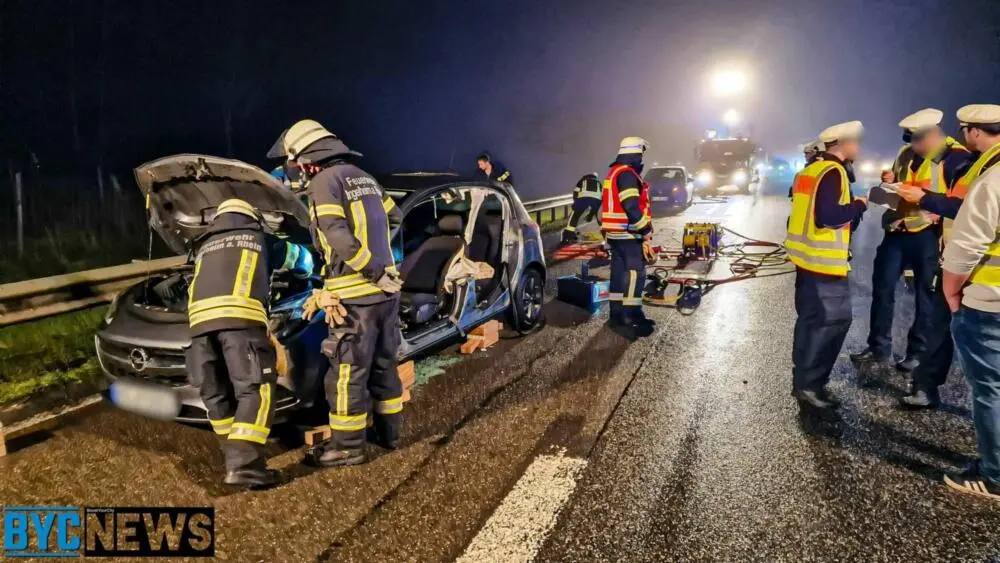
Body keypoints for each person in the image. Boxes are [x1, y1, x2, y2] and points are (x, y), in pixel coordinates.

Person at [268, 119, 405, 468]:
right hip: (386, 295)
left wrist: (369, 268)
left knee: (346, 374)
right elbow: (396, 217)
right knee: (384, 364)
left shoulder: (324, 182)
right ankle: (390, 434)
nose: (297, 171)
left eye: (296, 163)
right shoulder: (365, 177)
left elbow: (335, 233)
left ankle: (347, 447)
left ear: (308, 159)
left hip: (354, 299)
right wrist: (380, 263)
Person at [186, 198, 313, 488]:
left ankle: (234, 456)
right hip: (241, 323)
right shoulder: (260, 238)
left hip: (199, 328)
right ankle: (245, 465)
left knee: (217, 393)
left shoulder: (203, 245)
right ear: (252, 217)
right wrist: (307, 268)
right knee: (256, 390)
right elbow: (301, 261)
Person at [897, 105, 1000, 409]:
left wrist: (924, 199)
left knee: (941, 325)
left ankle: (926, 386)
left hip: (973, 269)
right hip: (973, 266)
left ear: (974, 131)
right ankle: (925, 385)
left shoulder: (970, 164)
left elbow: (966, 213)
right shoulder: (980, 162)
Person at [851, 109, 969, 372]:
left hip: (930, 235)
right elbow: (899, 187)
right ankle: (878, 348)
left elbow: (961, 204)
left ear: (934, 134)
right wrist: (891, 182)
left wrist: (927, 202)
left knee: (926, 298)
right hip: (897, 230)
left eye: (918, 140)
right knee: (882, 290)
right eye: (911, 140)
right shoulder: (906, 153)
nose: (914, 146)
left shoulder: (956, 157)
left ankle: (918, 353)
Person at [785, 121, 869, 409]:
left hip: (806, 259)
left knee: (810, 321)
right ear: (844, 143)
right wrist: (859, 205)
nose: (858, 147)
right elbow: (829, 217)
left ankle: (802, 379)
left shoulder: (810, 170)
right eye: (855, 142)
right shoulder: (833, 172)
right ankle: (811, 384)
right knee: (832, 322)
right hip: (823, 264)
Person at [939, 104, 1000, 501]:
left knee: (990, 388)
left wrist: (951, 290)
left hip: (989, 302)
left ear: (975, 132)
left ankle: (995, 476)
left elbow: (966, 246)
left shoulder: (992, 178)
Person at [601, 137, 655, 338]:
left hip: (616, 234)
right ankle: (630, 316)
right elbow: (631, 206)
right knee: (635, 274)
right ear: (635, 154)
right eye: (641, 154)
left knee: (618, 274)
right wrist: (645, 229)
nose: (642, 159)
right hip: (628, 233)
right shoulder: (626, 174)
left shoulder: (615, 171)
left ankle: (617, 314)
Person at [561, 172, 602, 243]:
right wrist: (592, 213)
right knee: (599, 217)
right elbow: (602, 194)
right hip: (596, 200)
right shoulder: (599, 182)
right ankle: (605, 235)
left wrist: (576, 203)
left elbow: (575, 192)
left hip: (583, 199)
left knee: (575, 215)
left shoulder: (582, 181)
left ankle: (568, 235)